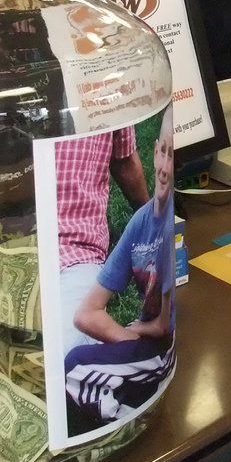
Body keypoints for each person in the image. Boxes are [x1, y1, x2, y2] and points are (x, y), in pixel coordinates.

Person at [65, 109, 176, 429]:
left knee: (74, 369)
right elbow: (85, 314)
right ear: (155, 152)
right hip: (143, 341)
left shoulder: (169, 228)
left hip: (160, 350)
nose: (166, 166)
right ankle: (132, 392)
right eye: (164, 152)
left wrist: (136, 331)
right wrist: (129, 337)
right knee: (78, 361)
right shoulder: (142, 221)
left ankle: (129, 417)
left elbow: (163, 327)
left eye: (174, 157)